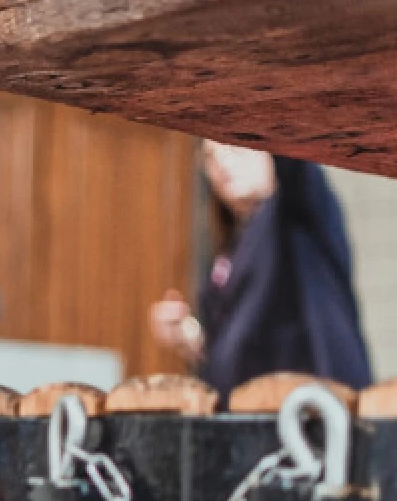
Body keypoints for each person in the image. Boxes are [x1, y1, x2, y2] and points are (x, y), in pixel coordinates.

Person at [150, 141, 372, 399]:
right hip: (248, 419)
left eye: (236, 147)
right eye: (211, 156)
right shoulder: (228, 249)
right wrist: (191, 339)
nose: (222, 163)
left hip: (312, 415)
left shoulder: (298, 213)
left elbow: (294, 152)